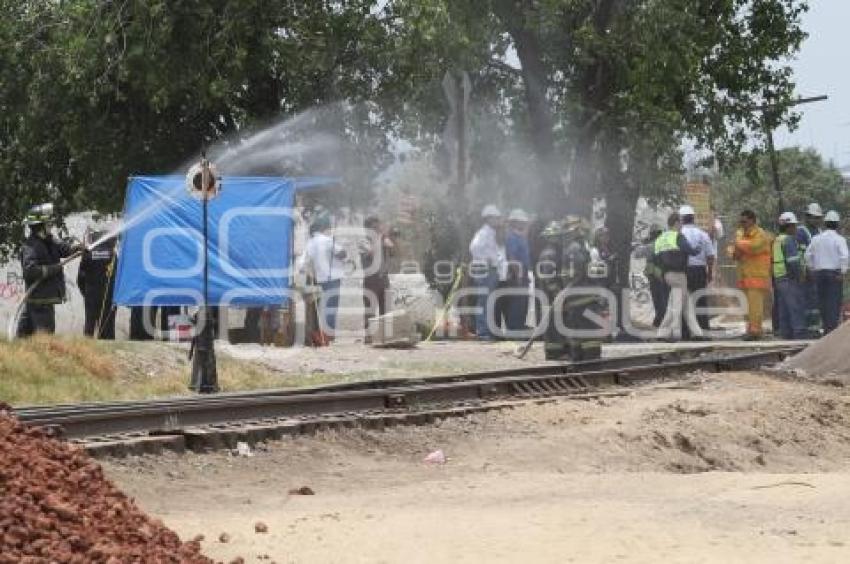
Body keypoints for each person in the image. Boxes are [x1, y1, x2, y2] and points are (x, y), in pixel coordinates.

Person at [17, 203, 81, 337]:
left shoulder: (49, 240)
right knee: (42, 343)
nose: (51, 225)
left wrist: (77, 248)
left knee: (26, 343)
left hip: (41, 303)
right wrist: (53, 269)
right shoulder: (31, 246)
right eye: (48, 223)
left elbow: (64, 249)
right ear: (41, 225)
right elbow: (30, 271)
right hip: (38, 305)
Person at [655, 212, 702, 341]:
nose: (682, 225)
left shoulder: (661, 238)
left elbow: (657, 258)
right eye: (681, 222)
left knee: (687, 305)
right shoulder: (678, 236)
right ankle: (672, 333)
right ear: (676, 223)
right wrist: (699, 247)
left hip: (667, 274)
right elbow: (691, 251)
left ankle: (697, 333)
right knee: (676, 305)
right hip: (679, 274)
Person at [300, 212, 347, 336]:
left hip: (319, 279)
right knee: (331, 307)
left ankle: (321, 333)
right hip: (333, 278)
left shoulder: (310, 243)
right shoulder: (327, 240)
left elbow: (302, 263)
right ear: (324, 228)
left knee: (322, 307)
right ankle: (329, 334)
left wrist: (310, 274)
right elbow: (343, 253)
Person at [805, 210, 849, 334]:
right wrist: (843, 272)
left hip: (819, 274)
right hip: (834, 275)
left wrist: (812, 269)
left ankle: (826, 328)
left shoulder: (816, 239)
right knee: (833, 302)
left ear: (825, 223)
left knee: (822, 302)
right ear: (837, 224)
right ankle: (832, 331)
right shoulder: (839, 239)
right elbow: (845, 256)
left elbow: (808, 255)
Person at [733, 210, 772, 340]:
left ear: (752, 220)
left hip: (757, 276)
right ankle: (749, 330)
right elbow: (732, 251)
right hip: (744, 276)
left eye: (744, 221)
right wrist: (736, 249)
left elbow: (754, 247)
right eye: (741, 222)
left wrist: (738, 244)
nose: (742, 224)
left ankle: (756, 331)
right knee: (746, 306)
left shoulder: (760, 234)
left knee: (755, 306)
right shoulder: (740, 234)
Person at [679, 205, 716, 336]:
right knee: (700, 301)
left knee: (684, 302)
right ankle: (704, 332)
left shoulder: (679, 234)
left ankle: (685, 333)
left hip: (683, 271)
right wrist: (710, 273)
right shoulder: (703, 234)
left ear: (681, 219)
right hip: (700, 271)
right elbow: (710, 256)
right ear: (693, 218)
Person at [469, 205, 504, 339]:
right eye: (495, 218)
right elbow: (474, 248)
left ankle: (487, 331)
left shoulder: (491, 232)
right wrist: (486, 259)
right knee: (485, 301)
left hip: (491, 270)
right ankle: (483, 332)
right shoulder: (484, 232)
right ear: (489, 218)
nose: (497, 220)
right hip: (486, 271)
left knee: (488, 301)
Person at [77, 229, 118, 339]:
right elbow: (118, 277)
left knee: (90, 323)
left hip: (91, 295)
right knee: (107, 325)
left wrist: (85, 292)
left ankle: (87, 347)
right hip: (109, 296)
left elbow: (80, 277)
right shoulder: (113, 255)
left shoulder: (88, 253)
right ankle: (108, 348)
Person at [773, 212, 807, 340]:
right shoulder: (789, 240)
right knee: (795, 306)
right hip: (789, 277)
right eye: (794, 226)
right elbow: (793, 261)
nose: (795, 228)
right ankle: (799, 332)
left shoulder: (777, 240)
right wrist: (800, 275)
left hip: (779, 277)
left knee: (784, 308)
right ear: (788, 227)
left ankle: (785, 333)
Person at [359, 215, 395, 329]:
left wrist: (389, 239)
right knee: (370, 309)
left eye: (378, 226)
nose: (378, 229)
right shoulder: (363, 241)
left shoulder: (383, 238)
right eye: (375, 227)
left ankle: (385, 335)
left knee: (386, 309)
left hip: (383, 277)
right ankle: (369, 336)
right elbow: (371, 252)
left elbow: (393, 250)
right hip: (370, 279)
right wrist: (379, 237)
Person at [798, 202, 824, 336]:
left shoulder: (820, 232)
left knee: (816, 300)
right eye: (814, 217)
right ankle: (807, 328)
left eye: (818, 217)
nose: (816, 220)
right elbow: (801, 254)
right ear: (807, 217)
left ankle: (815, 327)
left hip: (819, 271)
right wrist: (806, 270)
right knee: (807, 300)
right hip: (807, 272)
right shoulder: (801, 231)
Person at [504, 209, 532, 331]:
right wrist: (518, 275)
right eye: (521, 222)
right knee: (517, 300)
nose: (523, 224)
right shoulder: (512, 237)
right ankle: (514, 327)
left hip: (523, 271)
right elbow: (512, 257)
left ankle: (520, 324)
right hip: (517, 272)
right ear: (514, 222)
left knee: (523, 300)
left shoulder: (520, 236)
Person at [642, 225, 668, 327]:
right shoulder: (662, 244)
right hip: (659, 274)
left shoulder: (652, 245)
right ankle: (660, 318)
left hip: (656, 274)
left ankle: (660, 318)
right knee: (660, 298)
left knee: (658, 298)